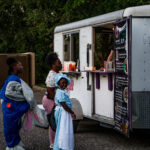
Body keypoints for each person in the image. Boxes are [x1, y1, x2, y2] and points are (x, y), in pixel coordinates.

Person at [0, 58, 30, 150]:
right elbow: (9, 93)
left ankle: (16, 142)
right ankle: (11, 146)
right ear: (14, 67)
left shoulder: (14, 78)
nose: (22, 66)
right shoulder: (13, 79)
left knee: (16, 124)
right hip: (10, 107)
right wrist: (25, 99)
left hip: (11, 107)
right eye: (20, 65)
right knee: (11, 126)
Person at [42, 52, 62, 149]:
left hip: (54, 100)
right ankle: (53, 144)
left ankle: (57, 142)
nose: (61, 64)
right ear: (53, 64)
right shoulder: (52, 75)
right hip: (50, 100)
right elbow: (49, 90)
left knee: (57, 121)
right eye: (58, 63)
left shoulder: (57, 73)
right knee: (53, 122)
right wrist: (57, 102)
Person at [53, 73, 76, 150]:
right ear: (58, 83)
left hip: (65, 113)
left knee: (64, 129)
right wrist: (72, 112)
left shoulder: (62, 91)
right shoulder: (60, 92)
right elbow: (64, 105)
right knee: (62, 130)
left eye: (65, 83)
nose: (64, 84)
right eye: (62, 82)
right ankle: (62, 146)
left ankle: (64, 145)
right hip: (63, 113)